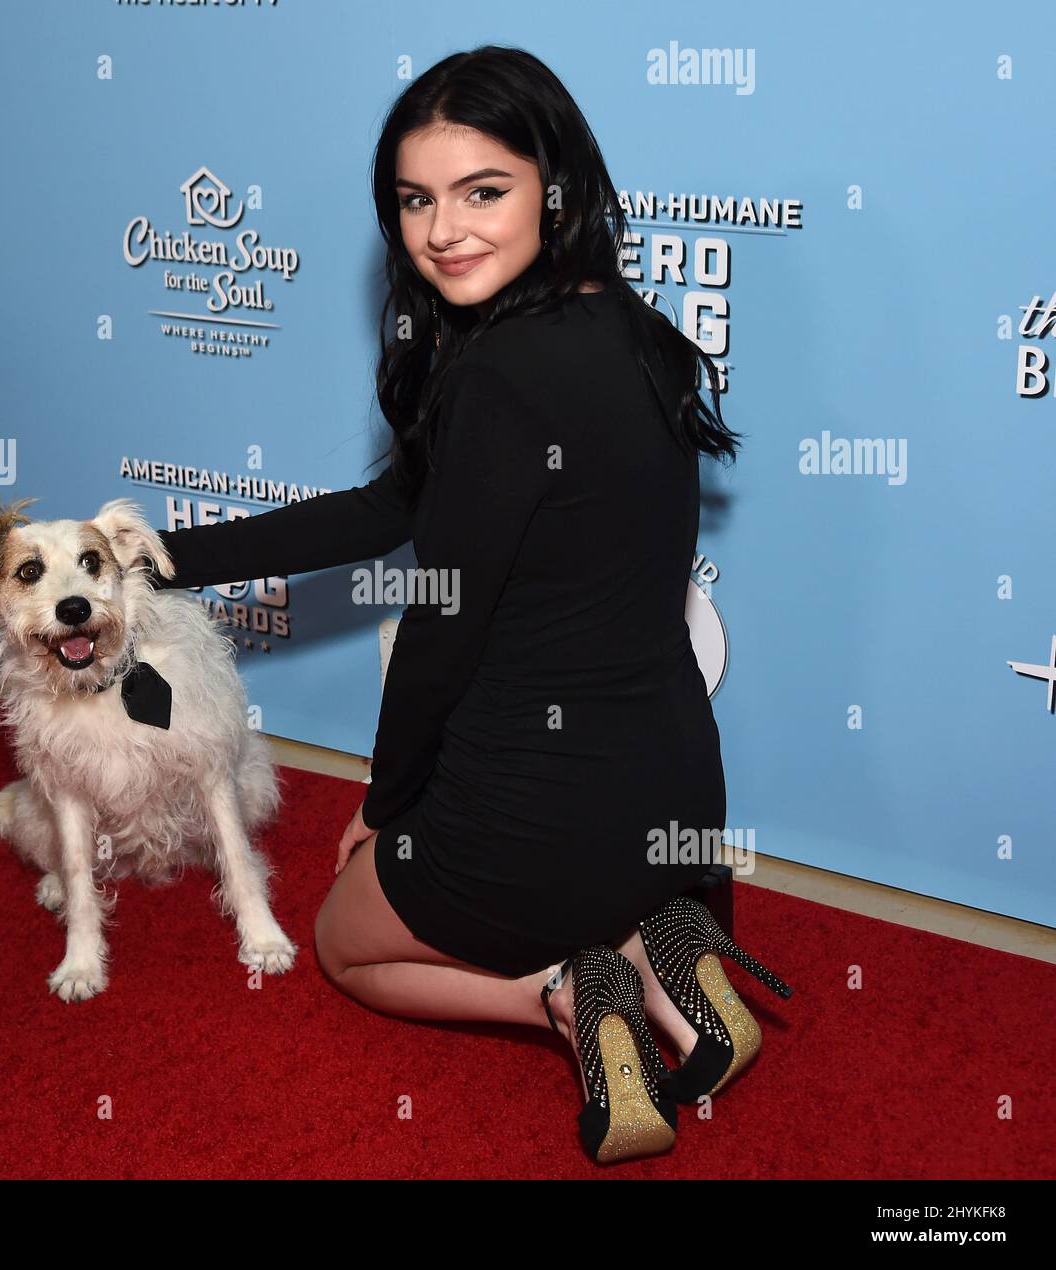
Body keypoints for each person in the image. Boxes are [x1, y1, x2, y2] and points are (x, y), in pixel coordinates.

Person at [151, 46, 792, 1164]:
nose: (442, 229)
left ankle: (563, 992)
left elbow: (440, 633)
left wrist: (386, 802)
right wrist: (164, 555)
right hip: (674, 795)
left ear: (556, 184)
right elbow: (384, 509)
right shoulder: (636, 334)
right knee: (568, 857)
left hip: (534, 816)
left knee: (343, 940)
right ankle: (661, 957)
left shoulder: (500, 375)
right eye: (415, 199)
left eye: (480, 192)